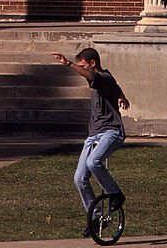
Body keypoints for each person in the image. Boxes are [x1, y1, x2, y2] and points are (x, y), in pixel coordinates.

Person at [52, 47, 130, 238]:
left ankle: (116, 194)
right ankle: (95, 217)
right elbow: (117, 88)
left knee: (93, 162)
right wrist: (121, 96)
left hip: (112, 131)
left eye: (83, 66)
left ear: (92, 64)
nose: (82, 70)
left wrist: (69, 64)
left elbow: (96, 78)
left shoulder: (102, 77)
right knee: (79, 177)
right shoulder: (105, 81)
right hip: (93, 135)